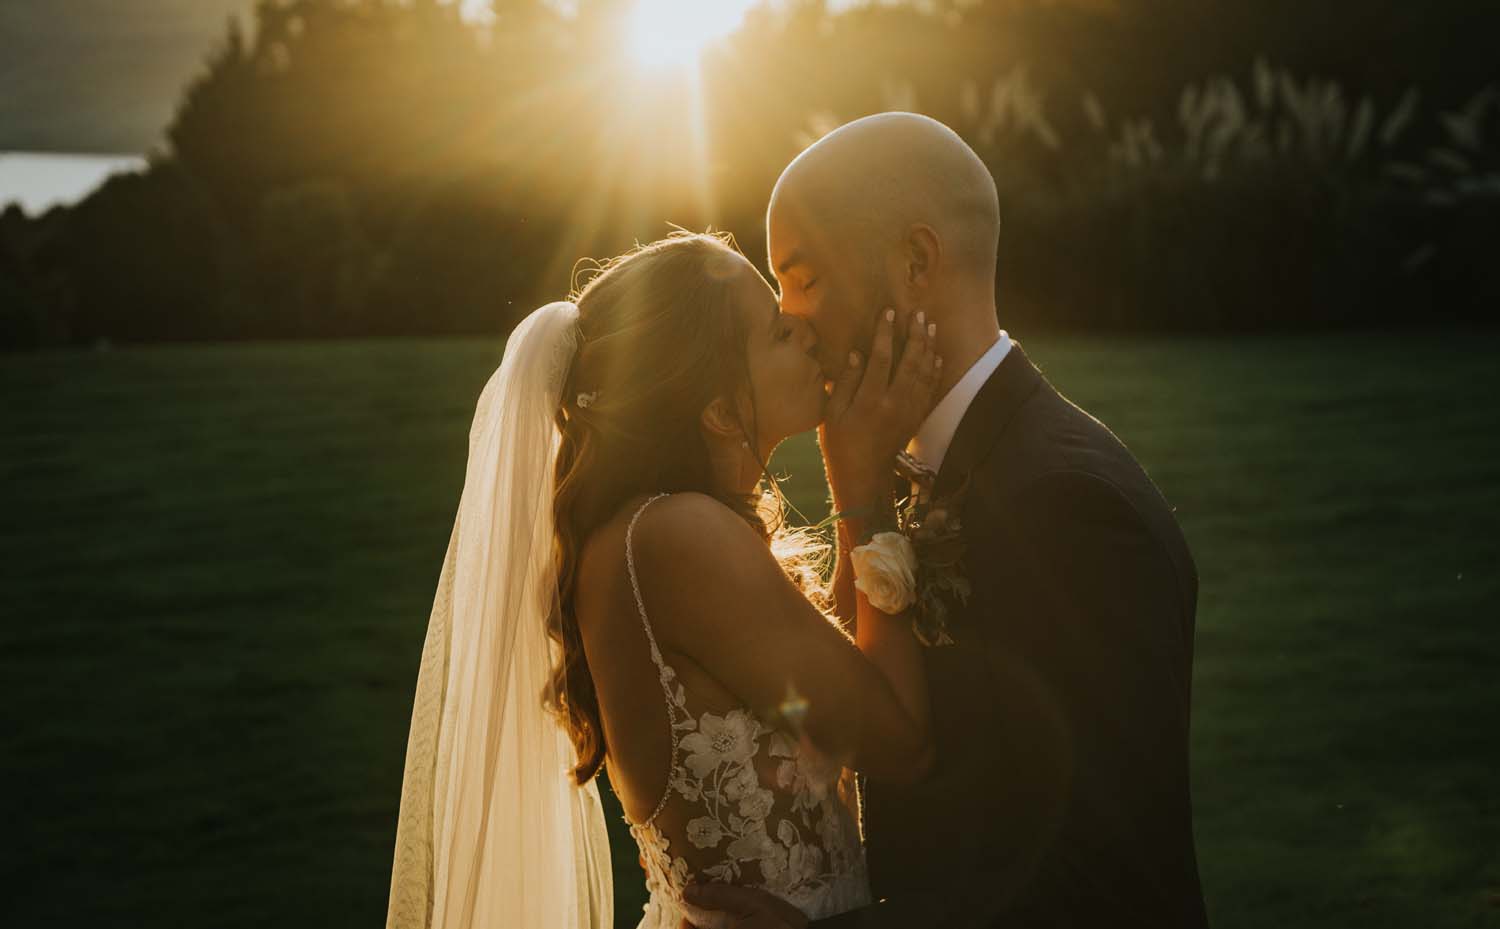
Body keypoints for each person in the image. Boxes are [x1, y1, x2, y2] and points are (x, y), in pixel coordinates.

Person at [682, 112, 1210, 927]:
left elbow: (1099, 880)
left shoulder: (1070, 506)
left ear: (916, 263)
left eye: (803, 277)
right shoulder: (916, 473)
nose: (788, 317)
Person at [384, 230, 945, 928]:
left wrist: (852, 457)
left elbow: (837, 689)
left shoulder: (651, 533)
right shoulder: (677, 537)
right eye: (776, 330)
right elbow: (897, 739)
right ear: (716, 410)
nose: (802, 329)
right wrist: (861, 478)